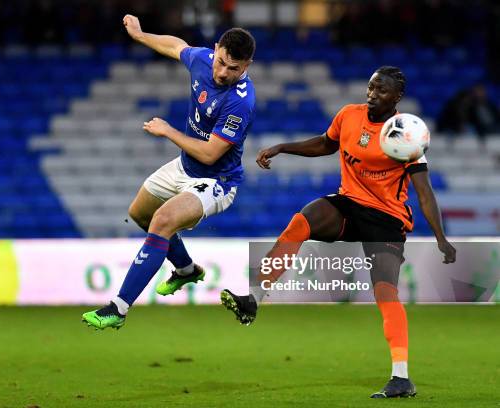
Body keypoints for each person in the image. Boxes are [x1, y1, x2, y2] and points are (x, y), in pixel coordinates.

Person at [220, 66, 456, 398]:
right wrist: (283, 147)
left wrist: (441, 239)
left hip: (386, 218)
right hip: (348, 203)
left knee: (386, 294)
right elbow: (325, 143)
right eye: (371, 86)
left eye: (382, 90)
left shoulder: (407, 133)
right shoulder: (349, 115)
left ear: (397, 97)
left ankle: (401, 377)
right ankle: (254, 298)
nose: (372, 94)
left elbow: (425, 192)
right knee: (301, 221)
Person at [82, 15, 256, 330]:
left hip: (216, 181)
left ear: (246, 67)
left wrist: (167, 131)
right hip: (183, 167)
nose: (223, 73)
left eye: (234, 69)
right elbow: (177, 46)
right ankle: (187, 269)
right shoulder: (202, 60)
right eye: (220, 62)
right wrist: (140, 35)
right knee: (140, 214)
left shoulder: (240, 103)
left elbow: (209, 153)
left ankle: (118, 309)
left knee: (162, 220)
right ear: (215, 50)